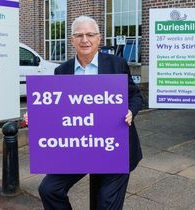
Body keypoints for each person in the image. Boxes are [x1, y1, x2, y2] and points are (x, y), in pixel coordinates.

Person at [37, 15, 143, 210]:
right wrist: (38, 116)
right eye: (79, 35)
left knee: (105, 204)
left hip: (114, 147)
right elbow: (58, 110)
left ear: (99, 38)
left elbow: (136, 96)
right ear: (72, 40)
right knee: (49, 189)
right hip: (80, 147)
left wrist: (130, 111)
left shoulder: (116, 64)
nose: (84, 40)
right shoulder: (62, 71)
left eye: (90, 34)